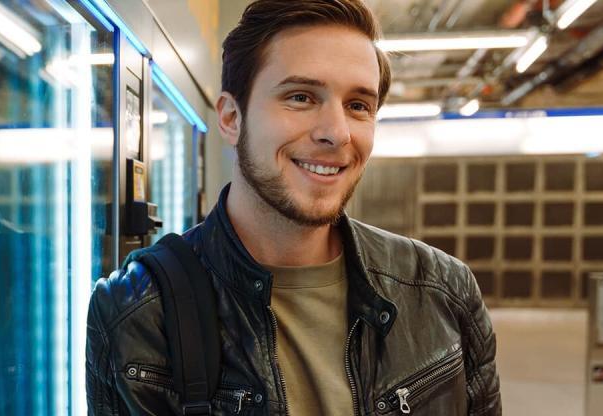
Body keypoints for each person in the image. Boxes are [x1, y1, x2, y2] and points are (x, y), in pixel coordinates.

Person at [85, 0, 501, 414]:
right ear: (231, 118)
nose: (336, 133)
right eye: (301, 97)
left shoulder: (444, 292)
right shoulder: (137, 312)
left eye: (358, 106)